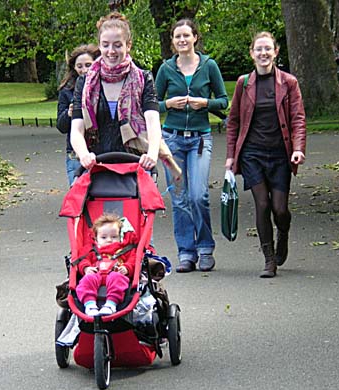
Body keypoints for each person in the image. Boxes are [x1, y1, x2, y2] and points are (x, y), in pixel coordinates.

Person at [225, 31, 306, 278]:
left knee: (280, 209)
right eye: (258, 49)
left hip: (280, 153)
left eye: (267, 49)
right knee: (262, 204)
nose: (263, 53)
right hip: (252, 154)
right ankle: (269, 260)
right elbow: (233, 121)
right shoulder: (244, 83)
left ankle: (283, 232)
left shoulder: (288, 82)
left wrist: (298, 148)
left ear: (276, 52)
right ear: (252, 53)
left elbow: (298, 118)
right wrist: (231, 155)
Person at [155, 18, 228, 273]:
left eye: (186, 35)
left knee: (198, 195)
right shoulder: (166, 69)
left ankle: (206, 248)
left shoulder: (209, 66)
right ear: (173, 42)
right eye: (177, 37)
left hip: (199, 139)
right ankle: (186, 252)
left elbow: (223, 100)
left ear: (195, 37)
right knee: (179, 198)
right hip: (172, 139)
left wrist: (204, 103)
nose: (182, 40)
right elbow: (151, 104)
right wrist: (169, 104)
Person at [70, 12, 162, 173]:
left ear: (129, 45)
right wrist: (84, 154)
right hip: (97, 165)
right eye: (105, 45)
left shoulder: (143, 78)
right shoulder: (85, 82)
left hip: (135, 163)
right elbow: (77, 129)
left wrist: (152, 154)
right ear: (99, 46)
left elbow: (153, 122)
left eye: (118, 45)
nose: (111, 51)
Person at [76, 213, 136, 316]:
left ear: (120, 236)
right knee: (86, 280)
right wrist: (86, 268)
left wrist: (127, 268)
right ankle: (90, 305)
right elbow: (82, 259)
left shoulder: (125, 249)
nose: (109, 240)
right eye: (104, 237)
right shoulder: (92, 249)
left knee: (118, 278)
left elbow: (133, 260)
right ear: (96, 239)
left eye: (114, 237)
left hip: (115, 274)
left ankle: (110, 304)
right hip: (96, 274)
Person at [57, 44, 100, 186]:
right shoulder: (66, 91)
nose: (84, 70)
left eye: (88, 65)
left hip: (99, 152)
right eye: (79, 66)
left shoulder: (104, 87)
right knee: (78, 198)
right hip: (75, 155)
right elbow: (61, 126)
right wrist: (69, 114)